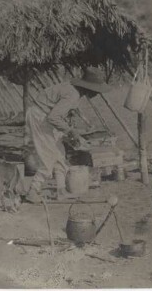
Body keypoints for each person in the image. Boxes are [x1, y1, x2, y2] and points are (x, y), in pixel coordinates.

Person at [25, 67, 112, 203]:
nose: (96, 94)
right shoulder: (73, 95)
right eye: (96, 91)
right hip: (39, 116)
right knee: (48, 156)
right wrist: (72, 132)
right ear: (90, 88)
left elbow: (58, 114)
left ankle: (61, 191)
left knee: (60, 153)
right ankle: (33, 190)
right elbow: (53, 117)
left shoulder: (74, 91)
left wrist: (71, 132)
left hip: (44, 115)